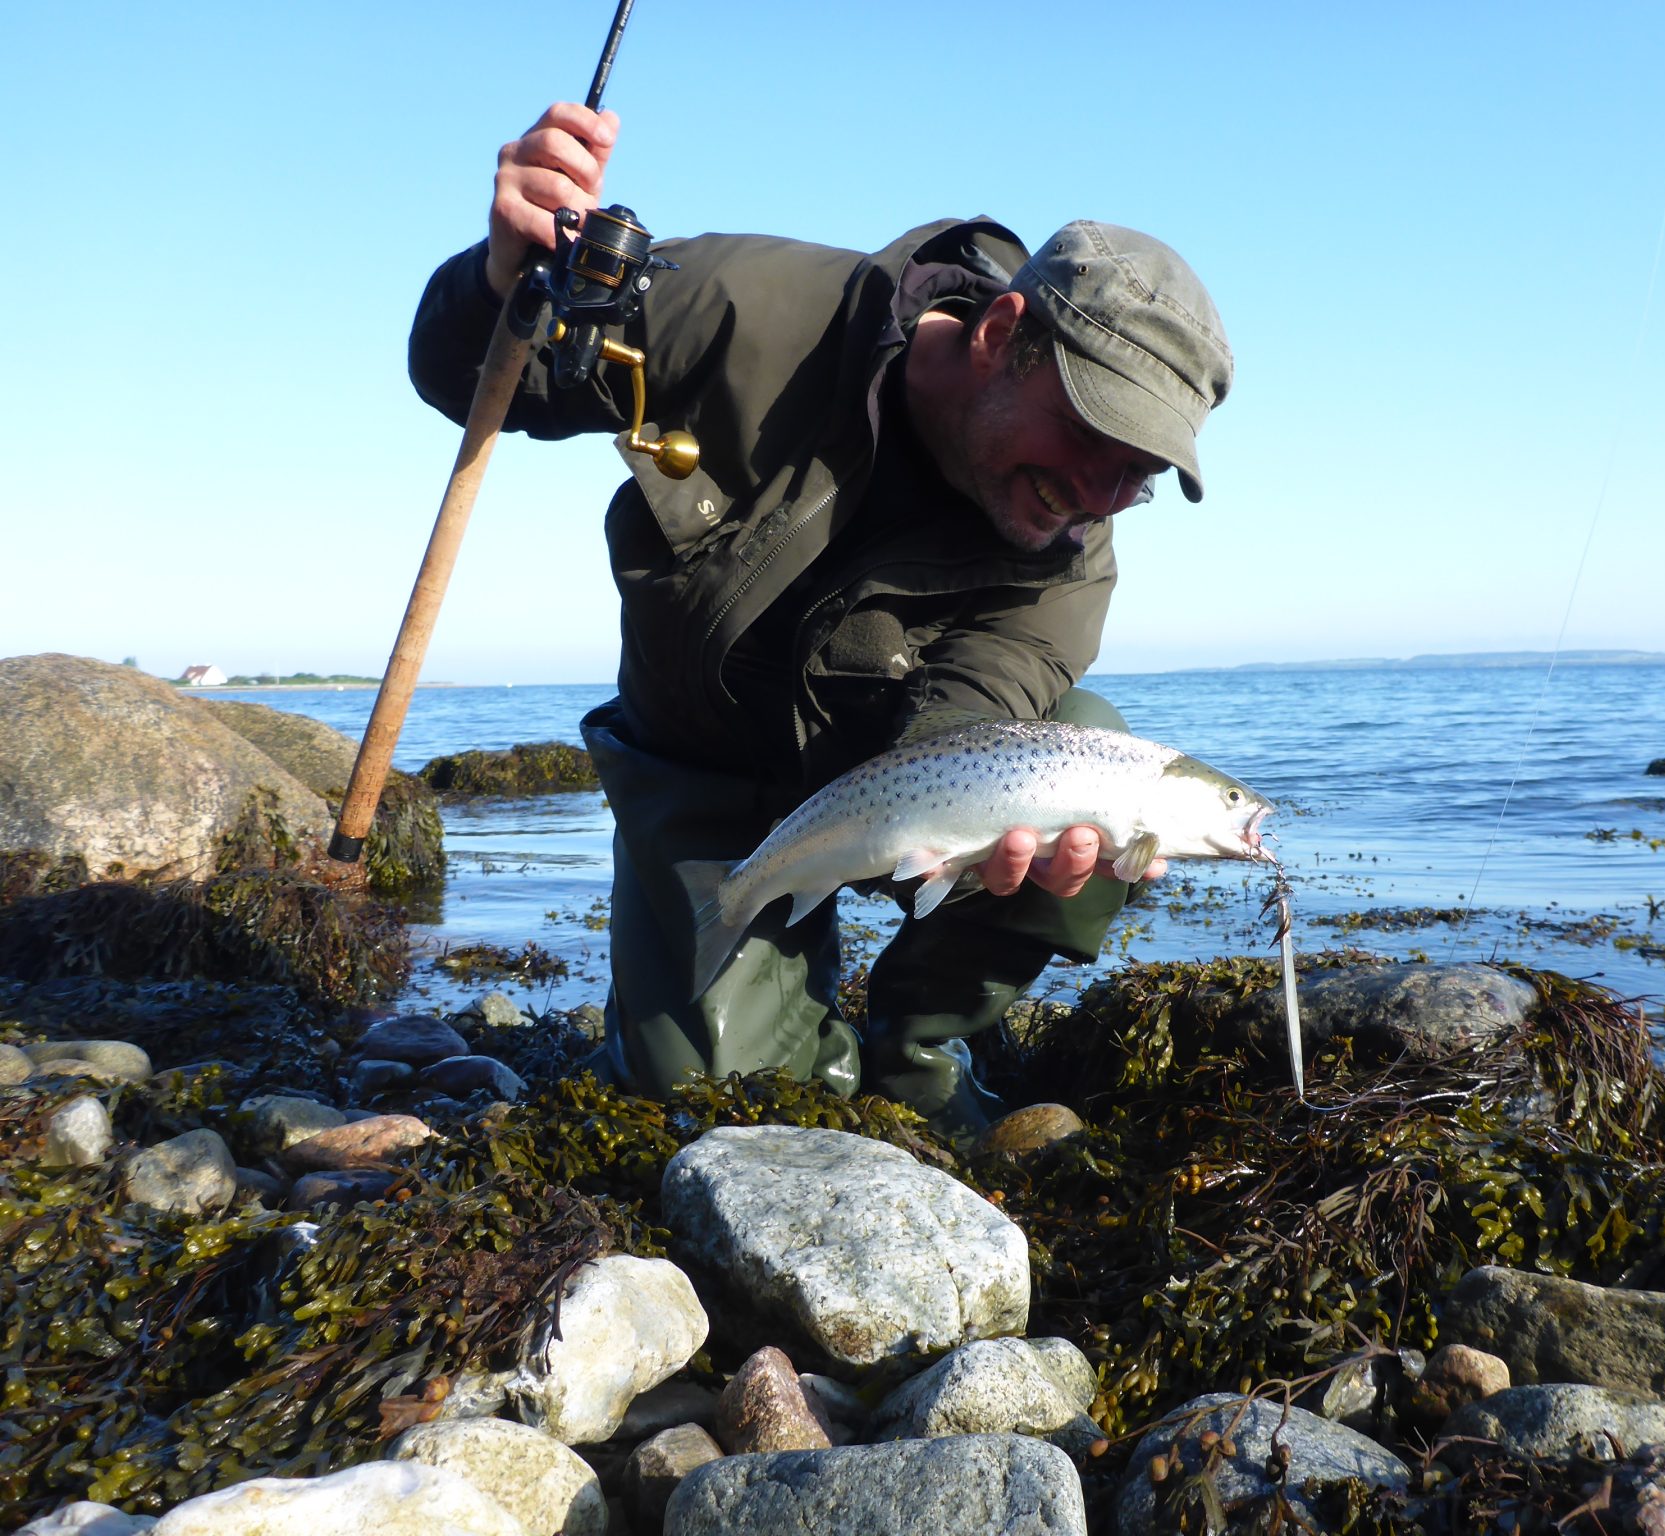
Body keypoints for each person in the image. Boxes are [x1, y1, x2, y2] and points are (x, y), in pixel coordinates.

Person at [408, 104, 1232, 1129]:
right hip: (696, 762)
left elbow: (958, 740)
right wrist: (503, 279)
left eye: (1138, 475)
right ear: (999, 334)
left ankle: (922, 1056)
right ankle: (760, 1016)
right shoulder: (743, 308)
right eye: (1087, 435)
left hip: (886, 774)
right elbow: (476, 379)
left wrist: (989, 858)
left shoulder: (1072, 559)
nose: (1101, 494)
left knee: (1093, 764)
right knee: (710, 1103)